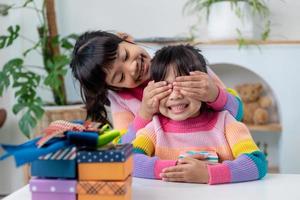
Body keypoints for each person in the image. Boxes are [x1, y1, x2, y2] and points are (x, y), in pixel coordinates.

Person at [70, 30, 243, 143]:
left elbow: (238, 113)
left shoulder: (180, 61)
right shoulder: (121, 99)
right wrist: (144, 113)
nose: (132, 68)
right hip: (165, 167)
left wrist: (214, 95)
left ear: (126, 38)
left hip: (213, 152)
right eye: (121, 76)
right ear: (113, 87)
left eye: (125, 56)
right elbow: (125, 145)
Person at [132, 45, 267, 184]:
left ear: (204, 87)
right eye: (166, 87)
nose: (175, 96)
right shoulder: (154, 128)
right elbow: (129, 159)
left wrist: (208, 174)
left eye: (184, 85)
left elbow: (257, 162)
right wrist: (177, 170)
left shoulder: (226, 123)